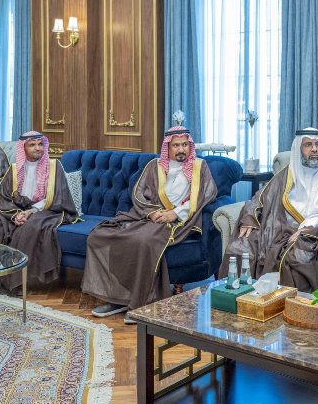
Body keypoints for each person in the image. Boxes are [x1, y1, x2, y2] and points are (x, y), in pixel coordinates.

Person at [83, 126, 218, 320]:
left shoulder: (199, 166)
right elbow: (138, 194)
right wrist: (152, 213)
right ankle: (117, 298)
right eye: (176, 145)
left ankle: (141, 303)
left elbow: (207, 195)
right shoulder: (155, 166)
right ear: (167, 147)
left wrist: (175, 213)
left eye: (185, 145)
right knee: (101, 235)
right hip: (150, 217)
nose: (181, 149)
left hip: (178, 222)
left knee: (144, 242)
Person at [219, 128, 318, 293]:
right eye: (308, 145)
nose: (314, 149)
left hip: (311, 231)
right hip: (278, 227)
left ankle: (289, 304)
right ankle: (238, 298)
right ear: (299, 149)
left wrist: (308, 230)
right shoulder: (287, 174)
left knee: (296, 257)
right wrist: (249, 216)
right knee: (241, 246)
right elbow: (261, 197)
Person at [0, 131, 78, 295]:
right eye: (32, 145)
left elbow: (57, 197)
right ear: (23, 148)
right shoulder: (14, 169)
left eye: (40, 144)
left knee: (29, 228)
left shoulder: (54, 167)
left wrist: (31, 212)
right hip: (17, 210)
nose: (38, 148)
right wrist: (15, 215)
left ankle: (18, 281)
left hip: (46, 210)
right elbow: (5, 197)